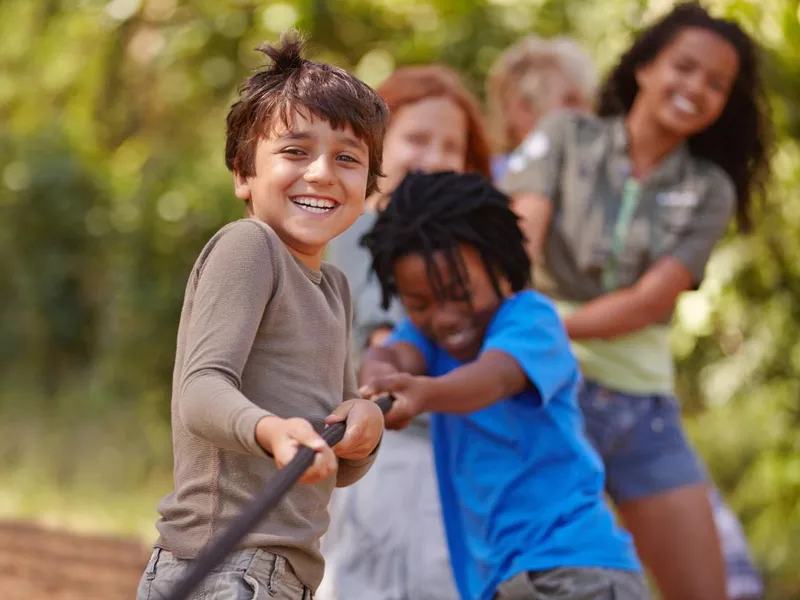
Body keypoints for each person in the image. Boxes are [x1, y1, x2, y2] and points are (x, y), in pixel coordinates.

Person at [499, 4, 772, 600]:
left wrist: (547, 322)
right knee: (546, 584)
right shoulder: (564, 136)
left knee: (707, 590)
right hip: (550, 393)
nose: (695, 88)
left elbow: (650, 303)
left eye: (716, 83)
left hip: (642, 410)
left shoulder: (709, 188)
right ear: (646, 67)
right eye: (684, 67)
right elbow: (517, 246)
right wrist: (532, 341)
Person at [136, 32, 389, 600]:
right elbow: (199, 391)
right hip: (225, 564)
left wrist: (362, 431)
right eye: (295, 151)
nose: (323, 173)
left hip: (279, 573)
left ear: (367, 187)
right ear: (243, 174)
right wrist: (270, 430)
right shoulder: (250, 246)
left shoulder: (333, 287)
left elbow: (329, 459)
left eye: (347, 158)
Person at [358, 170, 649, 600]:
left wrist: (424, 393)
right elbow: (391, 355)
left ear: (502, 267)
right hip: (498, 585)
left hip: (574, 571)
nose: (444, 317)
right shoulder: (427, 341)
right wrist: (377, 379)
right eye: (419, 304)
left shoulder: (531, 320)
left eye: (460, 293)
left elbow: (493, 377)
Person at [322, 65, 492, 600]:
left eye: (452, 146)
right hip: (390, 453)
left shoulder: (470, 252)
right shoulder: (366, 229)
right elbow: (381, 340)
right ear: (377, 147)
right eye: (417, 139)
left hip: (452, 453)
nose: (435, 156)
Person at [487, 35, 597, 182]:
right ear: (522, 109)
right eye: (570, 101)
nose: (587, 114)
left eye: (587, 102)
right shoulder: (490, 185)